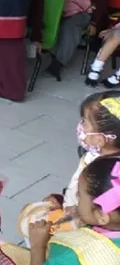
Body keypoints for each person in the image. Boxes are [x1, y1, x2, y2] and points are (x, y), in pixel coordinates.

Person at [3, 153, 120, 265]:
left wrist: (38, 245)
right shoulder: (106, 229)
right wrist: (88, 217)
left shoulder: (76, 255)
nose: (75, 199)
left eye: (80, 197)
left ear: (102, 215)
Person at [18, 91, 120, 239]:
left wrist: (77, 210)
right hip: (84, 211)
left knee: (29, 220)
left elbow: (100, 210)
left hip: (86, 223)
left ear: (100, 139)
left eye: (84, 122)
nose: (81, 126)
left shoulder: (102, 171)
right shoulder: (97, 157)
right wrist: (64, 199)